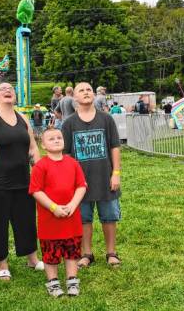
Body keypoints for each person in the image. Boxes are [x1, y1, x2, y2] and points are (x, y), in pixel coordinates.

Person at [0, 82, 43, 282]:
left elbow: (32, 148)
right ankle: (2, 264)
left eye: (11, 89)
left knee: (26, 221)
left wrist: (41, 171)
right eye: (3, 89)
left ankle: (32, 259)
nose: (8, 91)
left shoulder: (23, 118)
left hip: (24, 181)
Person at [62, 82, 122, 268]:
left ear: (93, 95)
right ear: (75, 98)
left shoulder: (106, 119)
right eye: (82, 90)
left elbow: (115, 147)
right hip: (80, 183)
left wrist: (116, 173)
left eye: (89, 89)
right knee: (83, 219)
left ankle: (111, 252)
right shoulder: (69, 123)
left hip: (105, 178)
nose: (86, 92)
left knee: (109, 216)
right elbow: (66, 154)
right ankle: (87, 253)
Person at [29, 128, 87, 297]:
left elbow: (81, 186)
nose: (56, 140)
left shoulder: (73, 163)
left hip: (71, 219)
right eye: (51, 138)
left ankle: (72, 279)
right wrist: (54, 207)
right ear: (43, 145)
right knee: (50, 253)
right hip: (50, 221)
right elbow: (36, 191)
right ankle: (53, 282)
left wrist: (72, 205)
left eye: (59, 137)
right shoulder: (40, 166)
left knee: (72, 252)